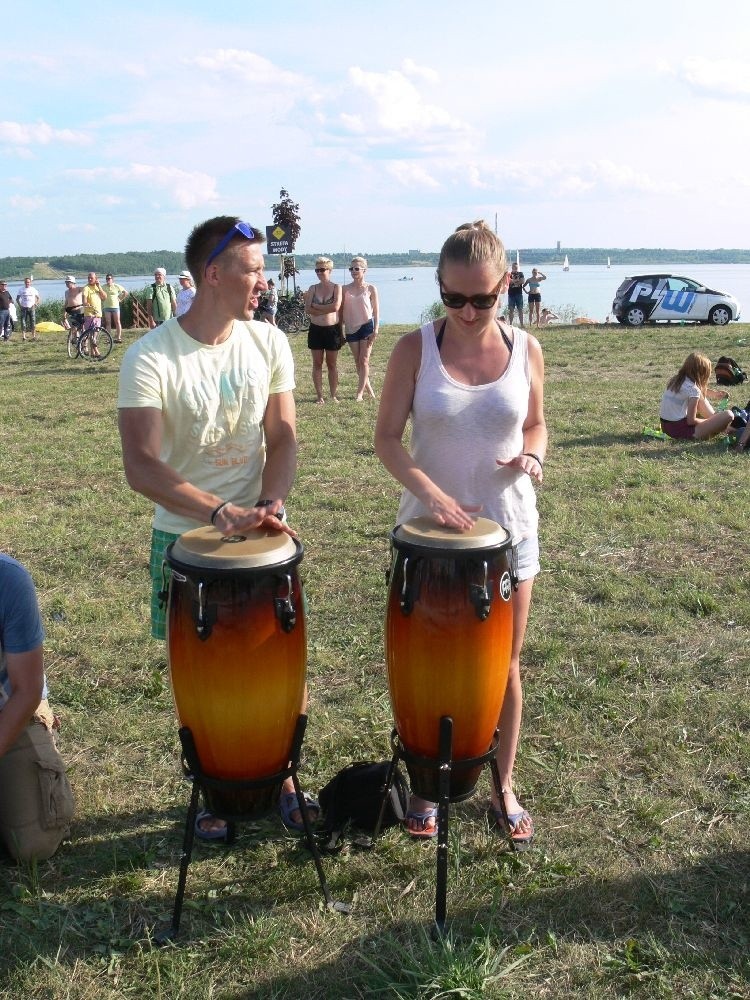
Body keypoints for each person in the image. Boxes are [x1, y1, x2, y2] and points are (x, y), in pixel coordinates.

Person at [118, 215, 315, 840]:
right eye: (253, 269)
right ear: (213, 274)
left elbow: (282, 435)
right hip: (186, 541)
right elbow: (141, 465)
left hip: (262, 534)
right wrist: (215, 510)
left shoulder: (269, 342)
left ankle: (284, 779)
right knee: (200, 674)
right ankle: (210, 785)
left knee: (281, 662)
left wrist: (272, 502)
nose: (263, 280)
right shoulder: (149, 356)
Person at [374, 220, 546, 849]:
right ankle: (426, 787)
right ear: (439, 288)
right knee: (431, 667)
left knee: (501, 664)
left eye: (483, 298)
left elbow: (536, 428)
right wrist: (436, 497)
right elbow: (387, 440)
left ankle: (502, 785)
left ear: (506, 285)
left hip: (509, 531)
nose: (469, 312)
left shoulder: (526, 349)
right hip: (428, 539)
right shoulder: (413, 350)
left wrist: (532, 458)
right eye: (454, 298)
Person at [0, 553, 75, 861]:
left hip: (8, 705)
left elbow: (26, 689)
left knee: (33, 843)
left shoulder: (9, 580)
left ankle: (38, 735)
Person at [659, 352, 734, 441]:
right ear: (703, 372)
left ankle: (718, 421)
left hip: (666, 427)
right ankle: (722, 425)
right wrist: (710, 421)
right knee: (728, 415)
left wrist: (714, 393)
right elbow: (691, 421)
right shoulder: (693, 390)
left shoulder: (676, 380)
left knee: (700, 396)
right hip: (681, 432)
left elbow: (697, 390)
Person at [303, 256, 343, 404]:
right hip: (316, 330)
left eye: (322, 270)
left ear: (330, 270)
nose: (319, 272)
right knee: (317, 363)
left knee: (332, 364)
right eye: (317, 270)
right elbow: (307, 309)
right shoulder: (313, 288)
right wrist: (325, 309)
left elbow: (335, 307)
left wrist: (317, 306)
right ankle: (319, 396)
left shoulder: (336, 287)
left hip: (332, 330)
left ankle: (333, 395)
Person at [341, 256, 379, 401]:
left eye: (357, 269)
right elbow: (339, 310)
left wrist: (376, 329)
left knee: (364, 360)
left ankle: (360, 394)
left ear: (364, 270)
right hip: (351, 328)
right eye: (351, 269)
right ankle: (369, 390)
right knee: (357, 361)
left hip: (366, 326)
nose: (353, 271)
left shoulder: (370, 288)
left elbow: (376, 311)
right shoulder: (344, 289)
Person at [82, 272, 106, 358]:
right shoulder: (86, 288)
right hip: (89, 314)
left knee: (95, 334)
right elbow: (84, 301)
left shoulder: (97, 287)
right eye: (88, 278)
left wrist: (99, 286)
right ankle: (97, 352)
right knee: (92, 335)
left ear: (96, 278)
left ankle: (92, 353)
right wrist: (86, 304)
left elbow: (104, 297)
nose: (89, 279)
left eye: (91, 278)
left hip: (98, 314)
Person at [102, 274, 128, 343]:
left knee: (117, 322)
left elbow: (125, 293)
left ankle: (118, 337)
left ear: (112, 279)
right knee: (108, 323)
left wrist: (121, 299)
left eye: (109, 278)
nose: (108, 280)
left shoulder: (116, 286)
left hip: (115, 307)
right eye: (107, 278)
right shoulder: (103, 287)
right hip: (106, 307)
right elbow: (99, 294)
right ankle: (108, 338)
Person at [16, 277, 40, 341]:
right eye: (26, 282)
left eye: (28, 282)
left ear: (30, 283)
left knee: (33, 322)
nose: (27, 283)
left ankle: (33, 336)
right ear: (24, 282)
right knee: (23, 322)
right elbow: (17, 299)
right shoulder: (21, 289)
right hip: (24, 308)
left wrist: (35, 304)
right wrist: (20, 306)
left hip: (31, 308)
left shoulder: (33, 289)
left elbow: (38, 298)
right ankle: (24, 336)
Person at [506, 261, 525, 327]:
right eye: (514, 267)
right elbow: (508, 281)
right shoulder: (509, 274)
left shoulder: (521, 273)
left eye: (516, 267)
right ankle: (510, 324)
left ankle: (522, 324)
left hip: (519, 294)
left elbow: (522, 281)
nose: (515, 268)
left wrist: (513, 282)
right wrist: (517, 281)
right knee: (511, 309)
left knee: (520, 309)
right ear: (512, 267)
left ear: (518, 267)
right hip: (511, 294)